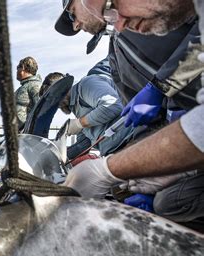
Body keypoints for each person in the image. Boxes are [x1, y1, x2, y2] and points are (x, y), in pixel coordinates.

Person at [65, 0, 204, 224]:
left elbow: (111, 106)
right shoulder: (117, 54)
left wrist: (107, 170)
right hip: (186, 128)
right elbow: (138, 122)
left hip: (193, 127)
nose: (119, 25)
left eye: (73, 14)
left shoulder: (88, 86)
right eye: (111, 16)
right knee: (166, 202)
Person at [56, 60, 135, 160]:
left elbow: (113, 106)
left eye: (54, 97)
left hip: (130, 140)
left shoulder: (86, 85)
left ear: (63, 88)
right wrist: (57, 156)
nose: (55, 104)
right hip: (115, 151)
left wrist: (80, 123)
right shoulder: (76, 107)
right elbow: (84, 144)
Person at [15, 56, 42, 129]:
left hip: (26, 135)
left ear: (23, 68)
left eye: (18, 68)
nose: (16, 71)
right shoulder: (23, 87)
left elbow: (41, 110)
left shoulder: (35, 86)